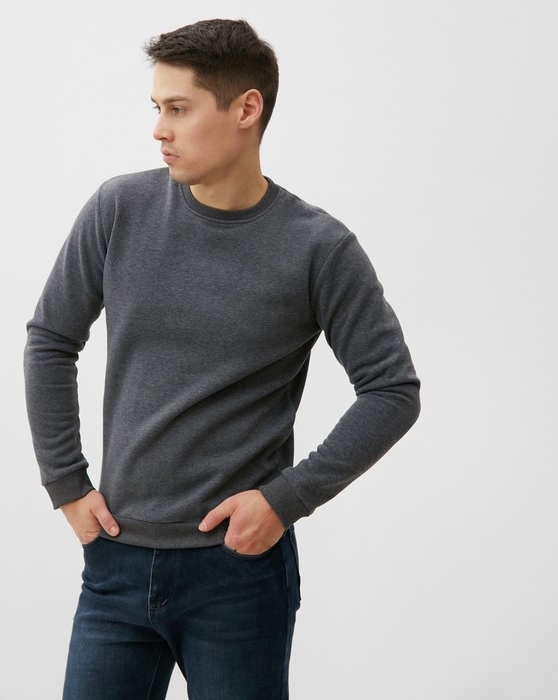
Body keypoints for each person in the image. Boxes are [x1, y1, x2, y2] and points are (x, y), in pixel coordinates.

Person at [24, 18, 420, 700]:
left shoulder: (317, 248)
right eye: (157, 108)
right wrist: (65, 482)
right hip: (115, 563)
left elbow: (392, 390)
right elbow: (51, 340)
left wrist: (285, 499)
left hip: (238, 574)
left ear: (246, 108)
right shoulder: (119, 209)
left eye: (178, 109)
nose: (159, 130)